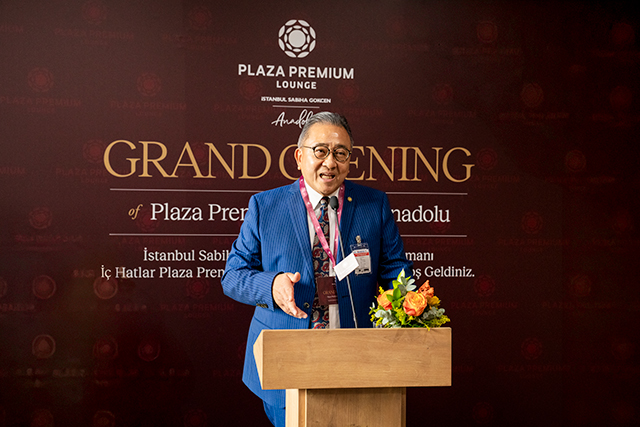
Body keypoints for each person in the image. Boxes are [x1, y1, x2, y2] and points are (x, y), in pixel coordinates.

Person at [221, 112, 412, 427]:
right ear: (299, 157)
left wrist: (406, 309)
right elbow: (233, 276)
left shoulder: (373, 204)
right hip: (285, 360)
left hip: (357, 358)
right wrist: (272, 285)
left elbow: (396, 270)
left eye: (340, 153)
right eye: (320, 151)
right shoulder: (265, 206)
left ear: (349, 160)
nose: (330, 162)